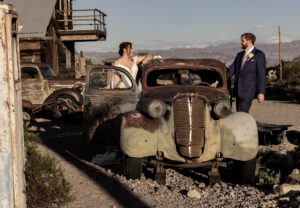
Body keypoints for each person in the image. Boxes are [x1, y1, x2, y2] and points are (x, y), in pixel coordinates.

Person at [226, 32, 266, 113]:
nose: (241, 42)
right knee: (240, 114)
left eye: (242, 40)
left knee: (242, 113)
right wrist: (217, 81)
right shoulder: (239, 55)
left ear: (249, 41)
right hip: (238, 91)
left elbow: (262, 75)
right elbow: (230, 71)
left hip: (248, 91)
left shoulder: (259, 55)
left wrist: (261, 92)